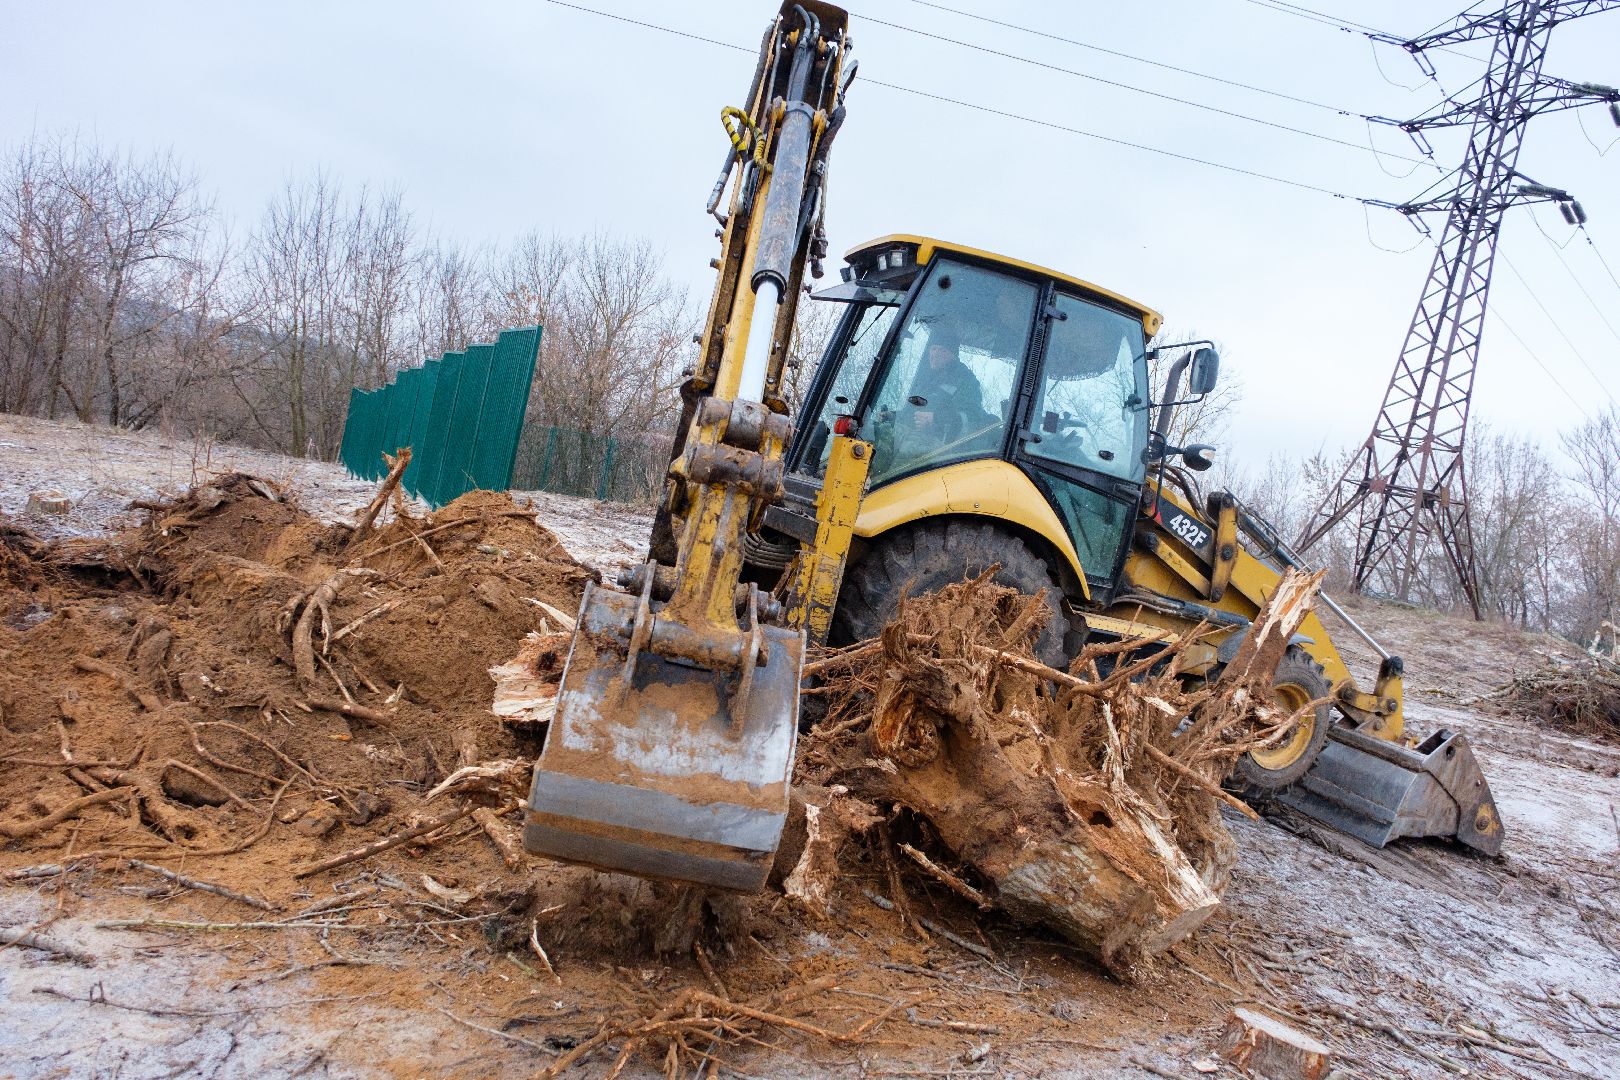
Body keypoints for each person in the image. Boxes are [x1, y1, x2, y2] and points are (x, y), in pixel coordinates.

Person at [906, 326, 993, 449]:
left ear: (954, 355)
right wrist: (893, 417)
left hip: (943, 453)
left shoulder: (965, 381)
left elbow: (973, 418)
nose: (935, 354)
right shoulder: (927, 380)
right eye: (933, 348)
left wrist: (935, 419)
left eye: (942, 350)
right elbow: (912, 411)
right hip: (917, 442)